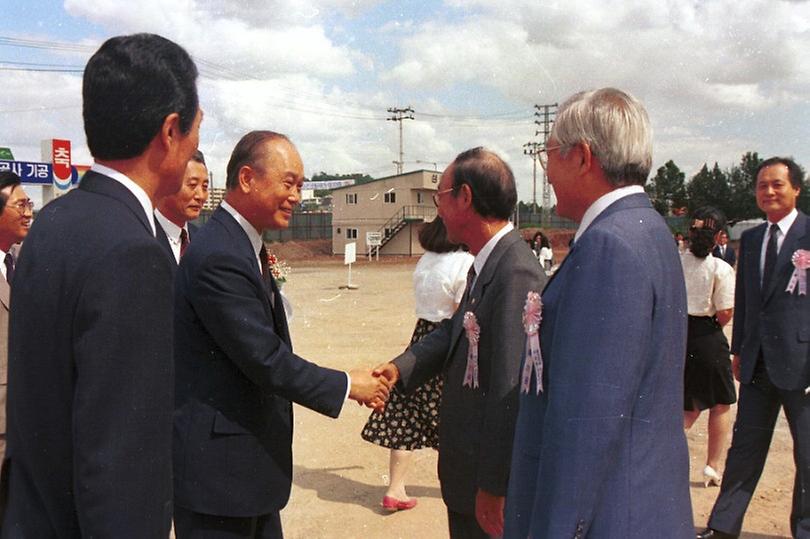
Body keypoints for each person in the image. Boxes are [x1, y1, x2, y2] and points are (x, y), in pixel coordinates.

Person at [2, 33, 201, 536]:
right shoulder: (134, 251)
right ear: (171, 130)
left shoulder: (53, 221)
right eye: (198, 128)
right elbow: (120, 463)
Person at [172, 130, 390, 538]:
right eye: (288, 183)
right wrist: (346, 384)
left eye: (301, 187)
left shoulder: (242, 244)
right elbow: (264, 358)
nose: (296, 196)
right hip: (219, 481)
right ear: (248, 178)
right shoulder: (220, 253)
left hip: (246, 472)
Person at [504, 88, 692, 538]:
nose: (545, 170)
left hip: (609, 517)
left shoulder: (609, 245)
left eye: (547, 153)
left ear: (582, 157)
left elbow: (586, 426)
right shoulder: (647, 228)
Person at [374, 147, 547, 538]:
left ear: (465, 197)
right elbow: (455, 330)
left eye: (441, 198)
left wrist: (495, 486)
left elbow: (509, 389)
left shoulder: (514, 272)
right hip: (466, 474)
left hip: (482, 484)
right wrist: (399, 368)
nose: (438, 210)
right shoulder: (486, 261)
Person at [698, 157, 810, 539]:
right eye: (762, 185)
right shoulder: (754, 239)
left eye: (777, 184)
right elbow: (746, 301)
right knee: (744, 450)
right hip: (758, 365)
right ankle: (724, 526)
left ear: (796, 188)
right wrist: (739, 350)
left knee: (808, 455)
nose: (769, 192)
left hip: (802, 365)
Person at [361, 217, 473, 511]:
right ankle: (461, 488)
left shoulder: (426, 260)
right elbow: (462, 311)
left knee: (407, 413)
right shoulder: (465, 262)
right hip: (446, 340)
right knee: (451, 416)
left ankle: (395, 488)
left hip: (420, 337)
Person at [681, 206, 736, 488]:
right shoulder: (721, 269)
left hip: (680, 335)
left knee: (687, 408)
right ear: (719, 236)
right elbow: (725, 311)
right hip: (708, 336)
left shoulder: (676, 261)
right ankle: (712, 467)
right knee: (721, 403)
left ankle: (665, 460)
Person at [0, 171, 32, 463]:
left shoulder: (26, 260)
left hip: (26, 421)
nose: (28, 214)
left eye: (30, 204)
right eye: (20, 206)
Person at [155, 149, 209, 263]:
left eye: (204, 187)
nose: (200, 196)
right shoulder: (143, 234)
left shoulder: (204, 241)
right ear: (167, 184)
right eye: (192, 185)